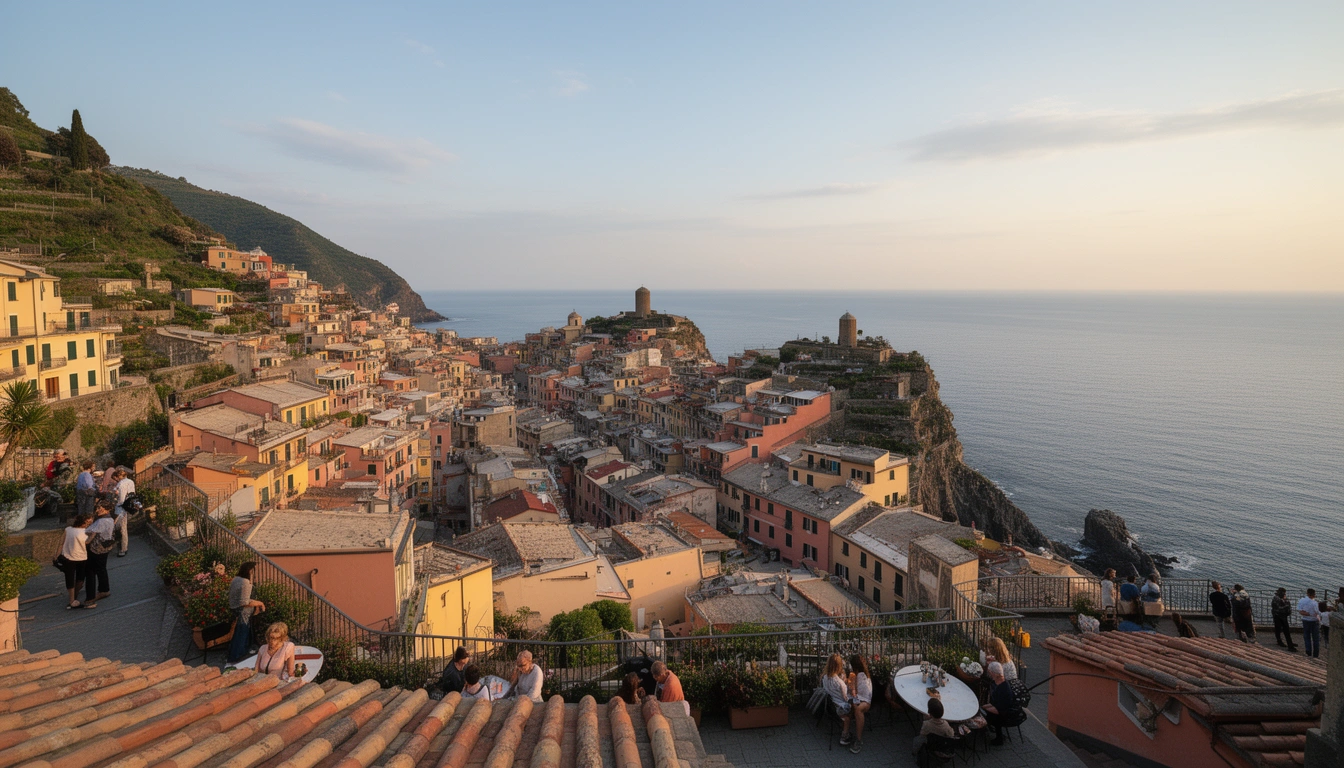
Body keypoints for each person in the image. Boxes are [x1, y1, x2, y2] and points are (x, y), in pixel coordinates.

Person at [227, 562, 265, 663]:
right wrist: (260, 603)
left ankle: (238, 654)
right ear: (250, 571)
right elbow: (244, 602)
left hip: (233, 608)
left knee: (241, 632)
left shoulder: (236, 579)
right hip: (242, 611)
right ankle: (237, 657)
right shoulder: (245, 583)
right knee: (242, 632)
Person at [821, 654, 857, 753]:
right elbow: (846, 697)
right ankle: (845, 737)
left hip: (832, 705)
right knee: (855, 705)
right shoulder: (839, 683)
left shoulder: (825, 678)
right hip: (840, 707)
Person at [83, 501, 116, 607]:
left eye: (99, 508)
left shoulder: (102, 521)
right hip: (104, 548)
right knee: (101, 568)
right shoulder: (109, 519)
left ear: (106, 509)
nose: (97, 510)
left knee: (94, 570)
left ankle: (101, 591)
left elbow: (90, 533)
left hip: (97, 549)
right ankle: (104, 589)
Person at [57, 513, 93, 609]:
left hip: (68, 557)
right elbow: (87, 542)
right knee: (80, 578)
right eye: (88, 522)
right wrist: (93, 534)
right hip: (81, 557)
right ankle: (75, 596)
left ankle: (72, 599)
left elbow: (61, 543)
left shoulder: (68, 529)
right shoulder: (86, 532)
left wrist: (56, 555)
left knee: (69, 578)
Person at [982, 661, 1022, 746]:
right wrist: (983, 706)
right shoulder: (999, 683)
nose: (990, 674)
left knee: (984, 716)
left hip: (1004, 714)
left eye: (990, 672)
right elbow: (994, 703)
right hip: (1001, 709)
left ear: (994, 674)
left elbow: (998, 710)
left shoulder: (1003, 690)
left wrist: (983, 709)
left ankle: (997, 739)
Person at [847, 655, 873, 751]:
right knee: (852, 705)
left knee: (858, 710)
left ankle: (858, 739)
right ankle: (847, 733)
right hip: (860, 698)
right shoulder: (858, 674)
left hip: (865, 700)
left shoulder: (862, 676)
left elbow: (865, 693)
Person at [111, 468, 134, 557]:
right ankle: (123, 547)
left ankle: (123, 548)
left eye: (115, 478)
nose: (115, 480)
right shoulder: (130, 481)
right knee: (123, 528)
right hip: (128, 506)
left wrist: (114, 498)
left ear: (118, 476)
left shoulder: (121, 484)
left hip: (121, 509)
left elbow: (121, 499)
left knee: (121, 529)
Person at [1299, 588, 1323, 658]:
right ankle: (1315, 654)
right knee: (1316, 638)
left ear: (1307, 593)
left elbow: (1300, 611)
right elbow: (1318, 612)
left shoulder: (1302, 601)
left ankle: (1308, 652)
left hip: (1305, 620)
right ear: (1313, 595)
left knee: (1307, 637)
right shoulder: (1315, 603)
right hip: (1314, 621)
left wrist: (1307, 614)